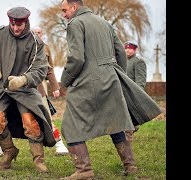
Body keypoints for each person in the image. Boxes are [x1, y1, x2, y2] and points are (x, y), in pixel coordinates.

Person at [60, 0, 162, 179]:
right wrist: (117, 73)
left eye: (65, 10)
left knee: (70, 124)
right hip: (110, 78)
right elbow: (121, 52)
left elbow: (77, 58)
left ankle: (84, 170)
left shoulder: (75, 23)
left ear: (74, 7)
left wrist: (65, 80)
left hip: (86, 81)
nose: (64, 14)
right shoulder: (104, 22)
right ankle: (130, 166)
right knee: (115, 121)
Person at [0, 6, 56, 173]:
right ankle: (9, 151)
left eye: (20, 25)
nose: (16, 28)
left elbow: (40, 69)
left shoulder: (36, 42)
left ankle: (39, 161)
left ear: (26, 22)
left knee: (30, 121)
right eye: (13, 24)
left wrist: (24, 79)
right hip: (1, 88)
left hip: (24, 90)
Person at [32, 26, 69, 155]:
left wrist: (55, 87)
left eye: (39, 33)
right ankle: (1, 146)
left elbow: (50, 69)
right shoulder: (24, 45)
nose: (36, 35)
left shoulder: (46, 48)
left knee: (46, 117)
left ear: (42, 34)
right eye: (34, 32)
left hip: (40, 86)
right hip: (22, 87)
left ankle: (59, 143)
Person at [124, 41, 147, 142]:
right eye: (126, 48)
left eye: (130, 48)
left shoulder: (138, 61)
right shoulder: (123, 60)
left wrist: (138, 94)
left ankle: (129, 133)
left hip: (132, 93)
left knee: (130, 115)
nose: (127, 50)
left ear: (135, 50)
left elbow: (140, 80)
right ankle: (132, 127)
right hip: (122, 92)